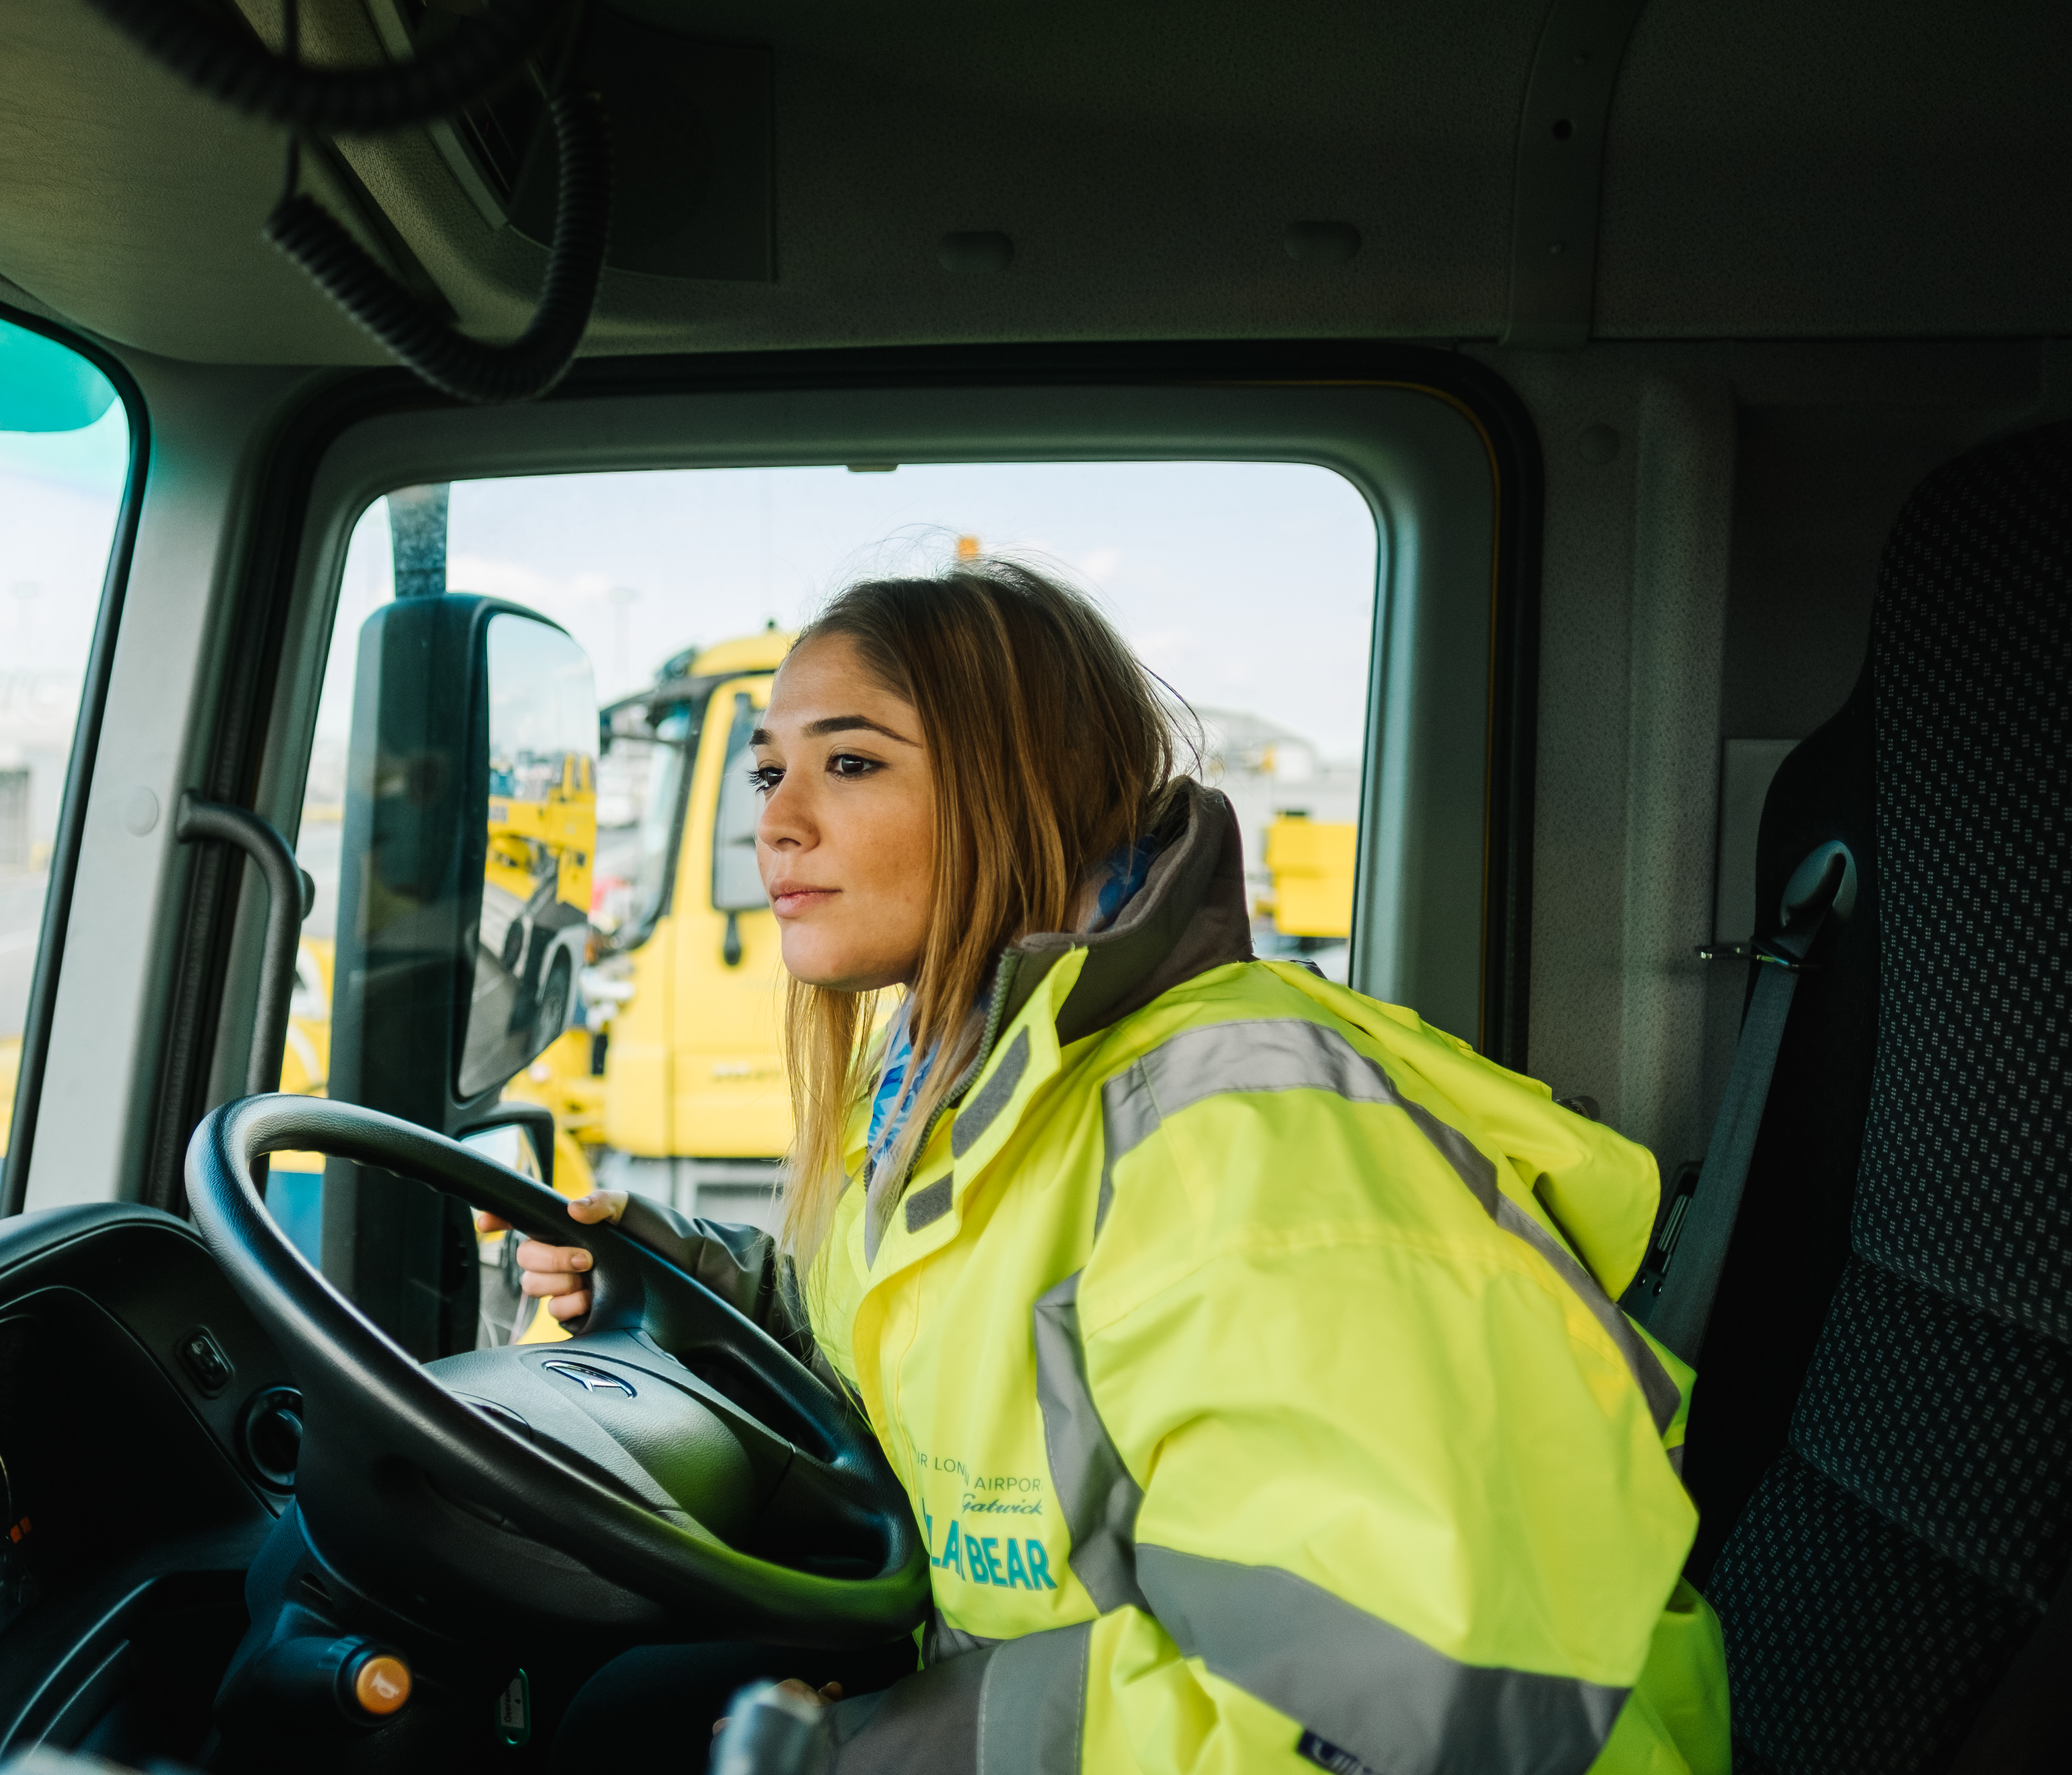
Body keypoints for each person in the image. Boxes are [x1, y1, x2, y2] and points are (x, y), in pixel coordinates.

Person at [523, 560, 1730, 1774]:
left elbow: (1393, 1711)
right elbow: (936, 1343)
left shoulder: (1241, 1139)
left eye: (849, 762)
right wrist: (698, 1284)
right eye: (767, 771)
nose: (777, 823)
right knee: (620, 1709)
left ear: (1027, 785)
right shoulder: (950, 1085)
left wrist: (881, 1752)